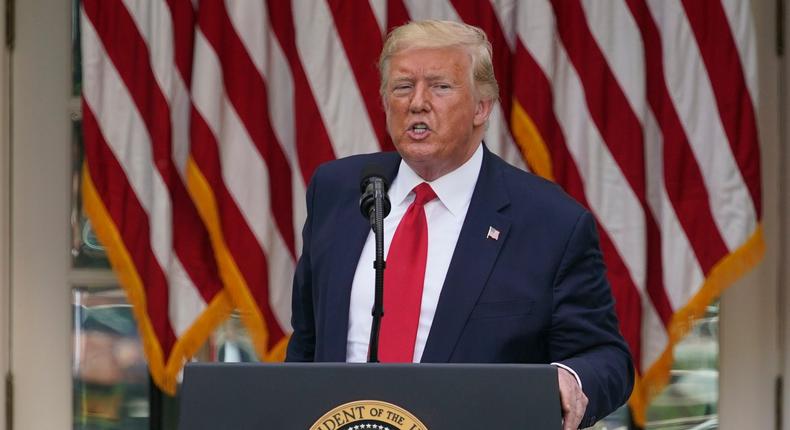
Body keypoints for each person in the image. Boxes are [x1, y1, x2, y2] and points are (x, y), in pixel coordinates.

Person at [286, 20, 634, 429]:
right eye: (402, 87)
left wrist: (569, 380)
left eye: (440, 87)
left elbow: (605, 356)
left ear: (481, 107)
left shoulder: (550, 223)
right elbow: (307, 345)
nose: (417, 102)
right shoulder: (338, 192)